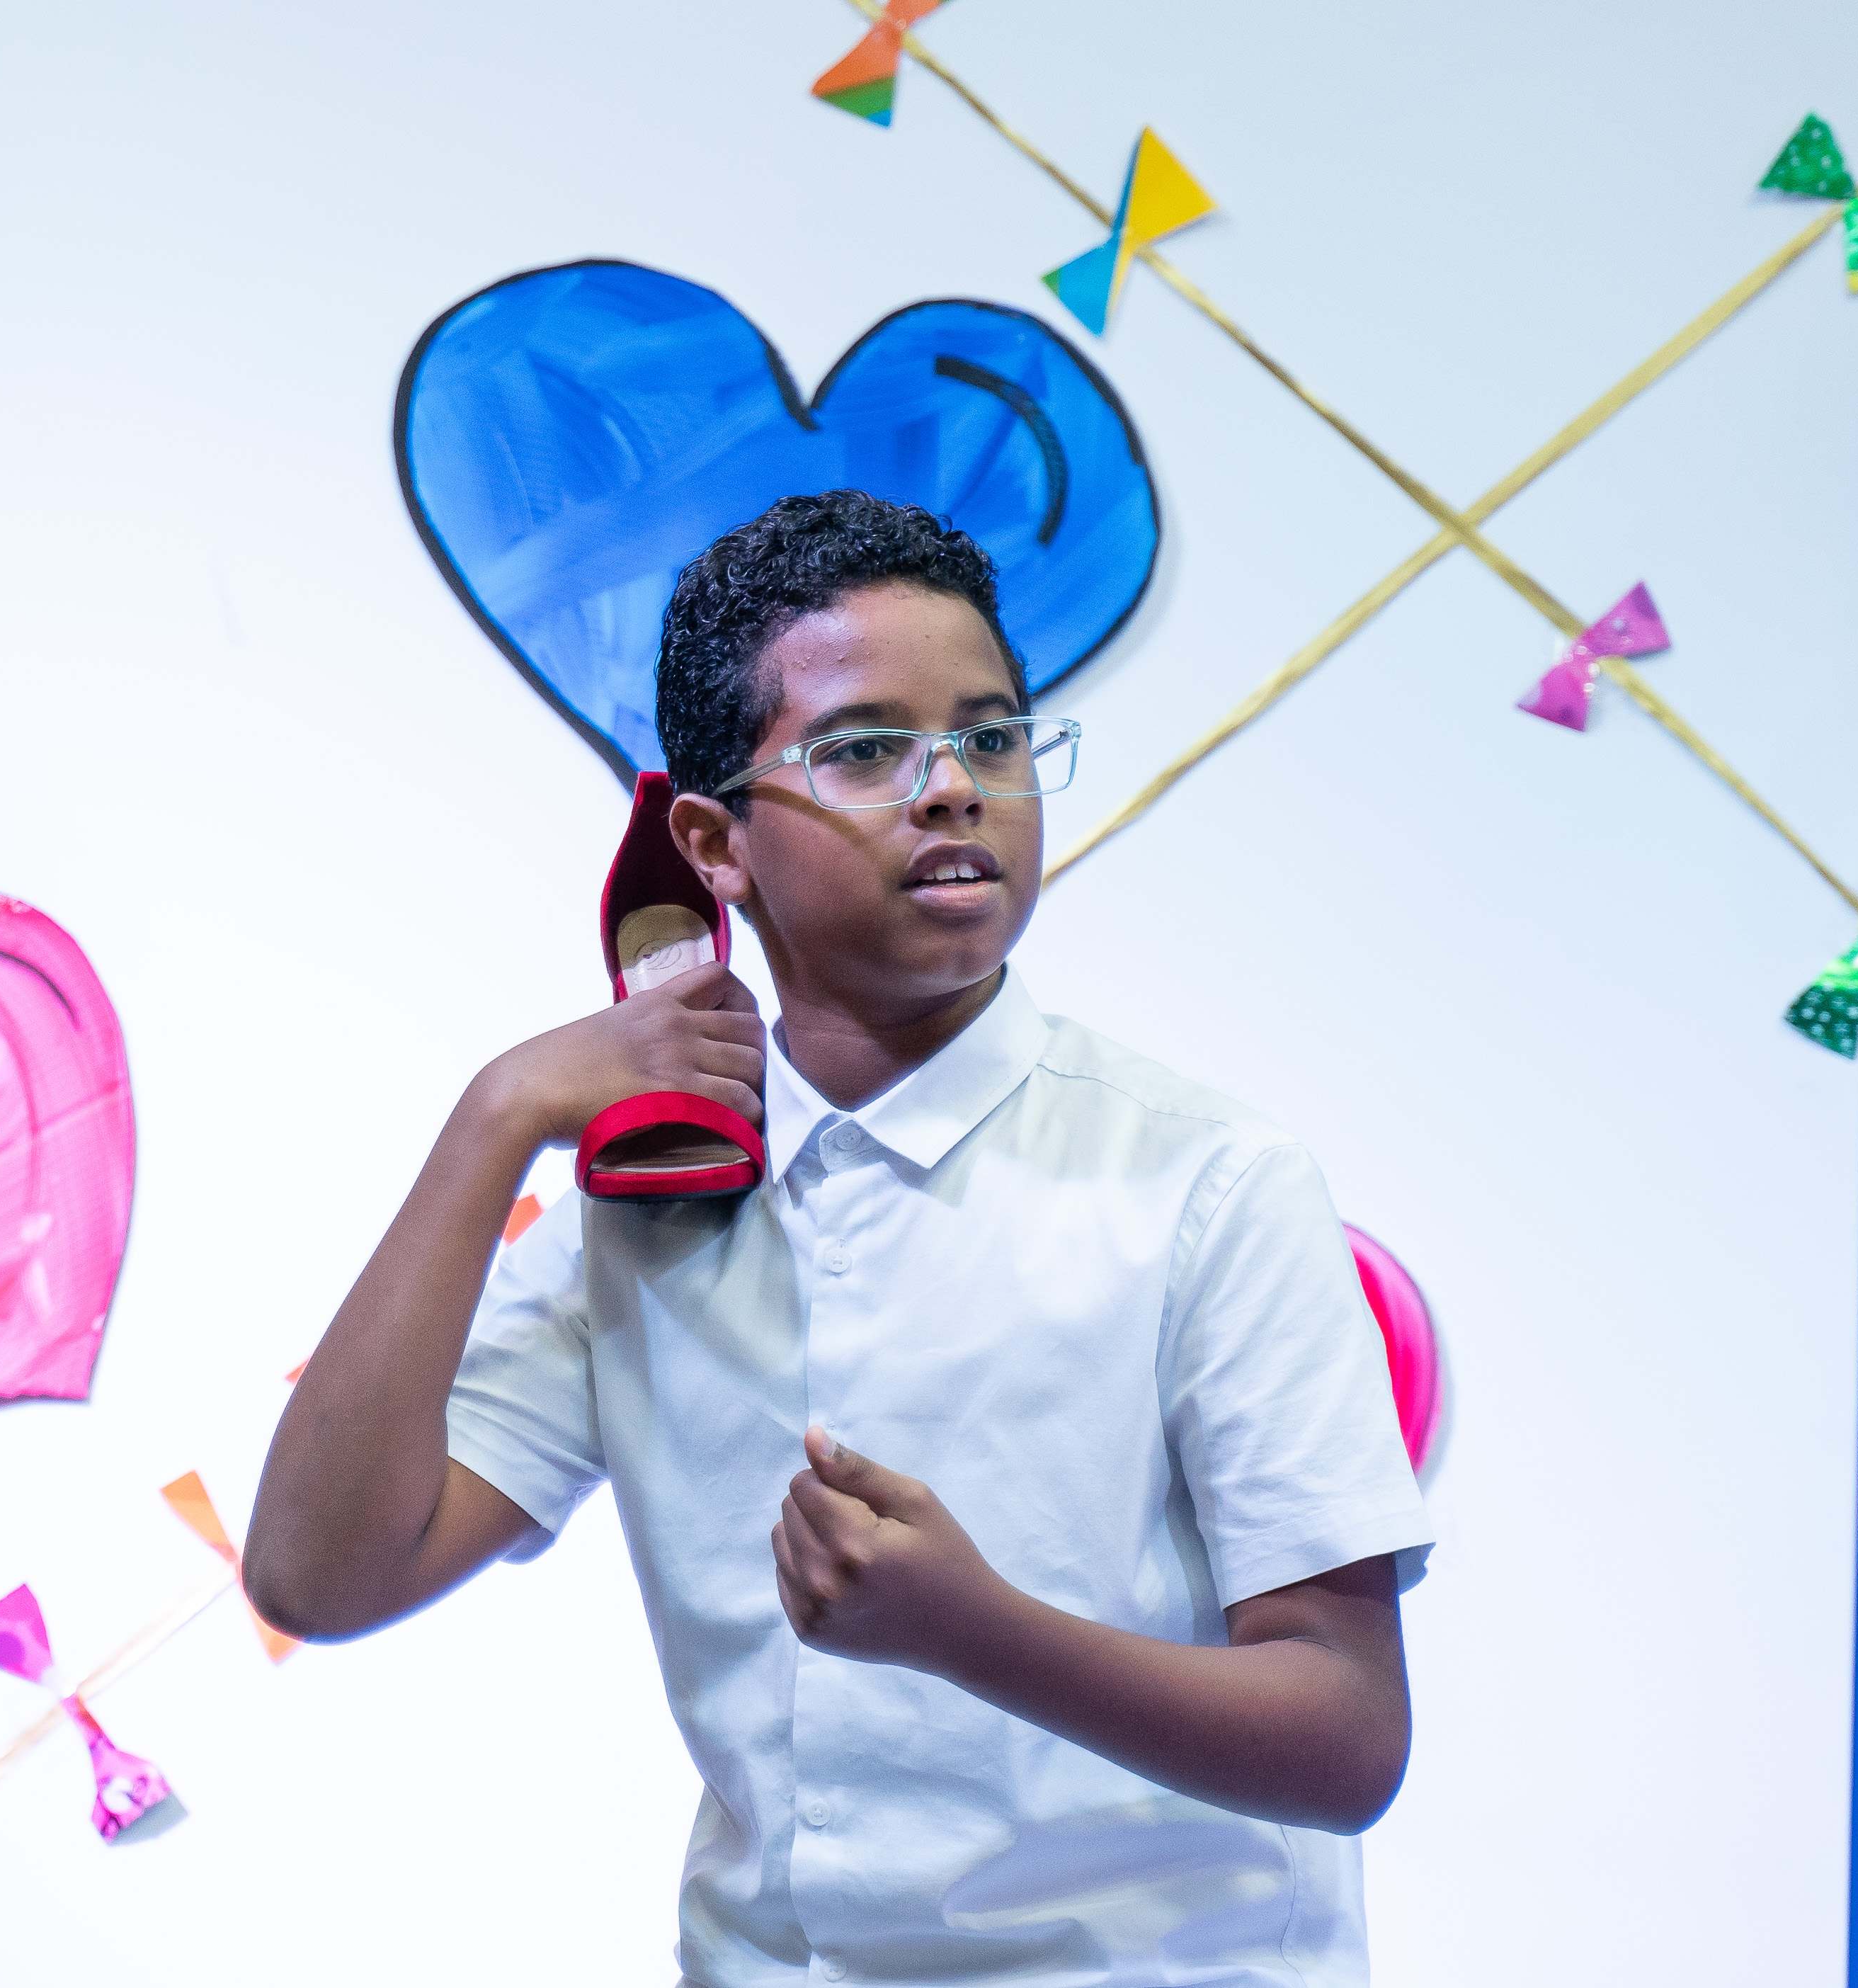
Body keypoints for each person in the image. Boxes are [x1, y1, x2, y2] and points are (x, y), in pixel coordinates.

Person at [248, 490, 1433, 1986]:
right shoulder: (646, 1214)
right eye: (867, 749)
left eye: (992, 739)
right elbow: (318, 1577)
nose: (952, 791)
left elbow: (1347, 1740)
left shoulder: (1209, 1186)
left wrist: (971, 1628)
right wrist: (496, 1118)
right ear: (711, 843)